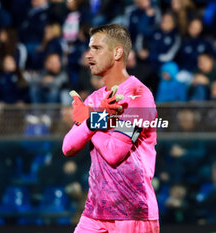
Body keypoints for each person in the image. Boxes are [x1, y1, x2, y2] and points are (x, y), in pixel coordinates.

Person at [62, 24, 159, 233]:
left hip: (133, 212)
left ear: (117, 52)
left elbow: (115, 152)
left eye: (97, 48)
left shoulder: (139, 96)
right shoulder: (95, 98)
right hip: (95, 212)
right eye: (90, 48)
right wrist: (93, 119)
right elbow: (68, 147)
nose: (89, 55)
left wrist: (92, 119)